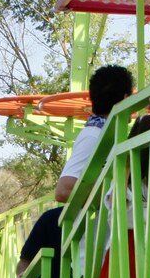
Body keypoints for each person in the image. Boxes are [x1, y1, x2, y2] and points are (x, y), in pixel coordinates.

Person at [54, 65, 134, 205]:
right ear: (125, 99)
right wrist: (112, 190)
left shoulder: (104, 132)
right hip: (101, 222)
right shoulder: (94, 135)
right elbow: (63, 191)